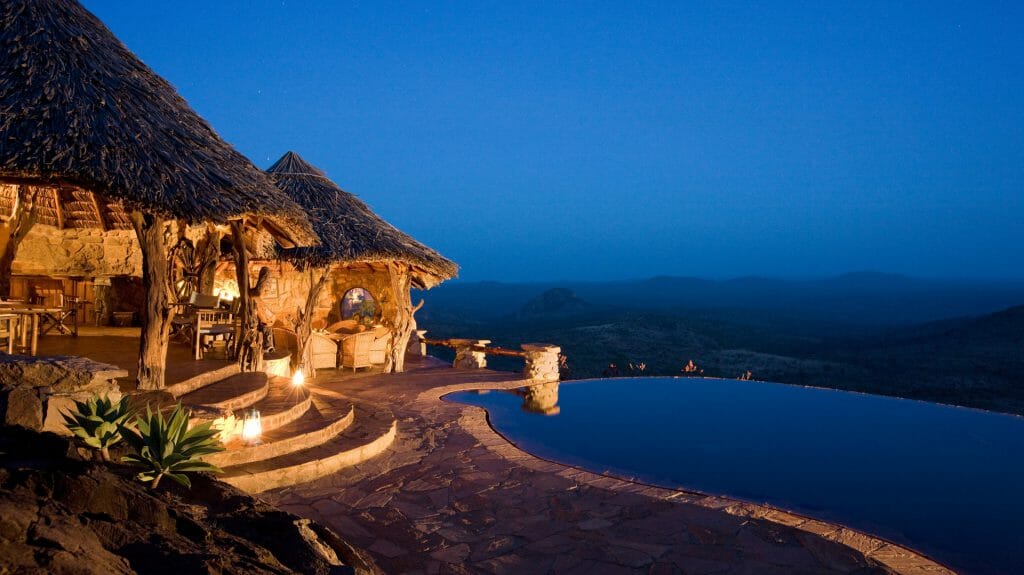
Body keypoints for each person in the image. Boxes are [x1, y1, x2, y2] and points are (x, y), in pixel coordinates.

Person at [250, 267, 275, 353]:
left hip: (256, 317)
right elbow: (258, 307)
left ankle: (268, 346)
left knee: (268, 324)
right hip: (255, 319)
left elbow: (259, 307)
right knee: (268, 325)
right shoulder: (257, 293)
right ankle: (267, 346)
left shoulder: (254, 292)